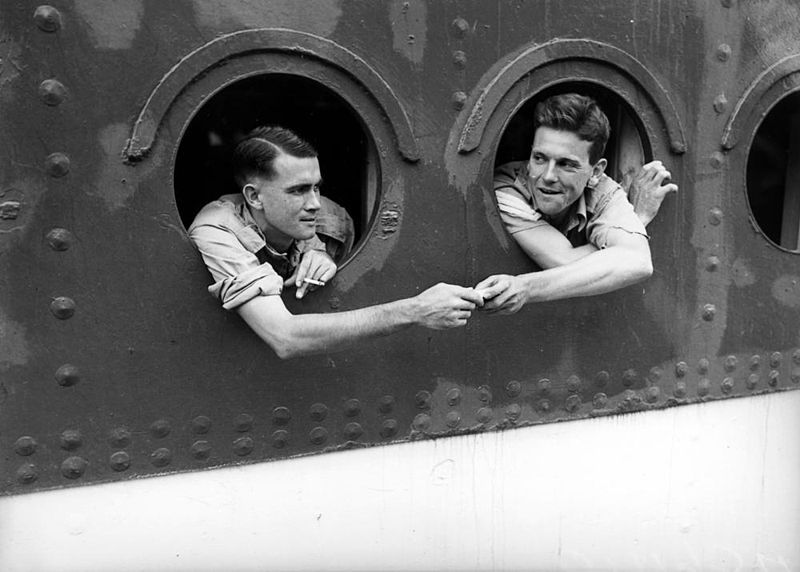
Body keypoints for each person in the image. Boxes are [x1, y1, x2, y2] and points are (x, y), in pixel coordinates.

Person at [189, 126, 483, 359]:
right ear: (254, 197)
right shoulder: (216, 230)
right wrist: (415, 310)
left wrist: (320, 251)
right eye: (299, 190)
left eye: (317, 187)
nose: (315, 203)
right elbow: (284, 337)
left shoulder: (326, 214)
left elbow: (337, 225)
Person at [476, 93, 678, 314]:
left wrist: (524, 287)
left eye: (566, 164)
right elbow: (565, 262)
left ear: (596, 171)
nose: (548, 176)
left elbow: (637, 261)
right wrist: (637, 221)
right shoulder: (507, 190)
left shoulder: (602, 190)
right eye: (539, 158)